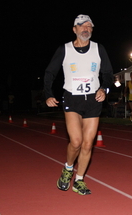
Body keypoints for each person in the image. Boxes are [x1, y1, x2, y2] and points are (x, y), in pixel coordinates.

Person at [44, 14, 113, 195]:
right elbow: (50, 72)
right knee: (76, 141)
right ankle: (67, 169)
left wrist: (104, 89)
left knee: (88, 144)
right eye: (82, 26)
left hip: (93, 100)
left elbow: (107, 74)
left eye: (89, 26)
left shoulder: (99, 49)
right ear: (74, 29)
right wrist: (48, 95)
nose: (86, 29)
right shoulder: (64, 49)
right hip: (72, 98)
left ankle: (79, 180)